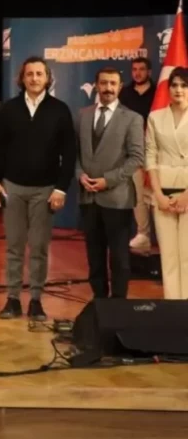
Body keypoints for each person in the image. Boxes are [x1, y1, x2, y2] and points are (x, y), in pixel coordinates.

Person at [0, 56, 76, 321]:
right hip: (12, 188)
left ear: (47, 78)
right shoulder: (9, 109)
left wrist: (61, 189)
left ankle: (36, 300)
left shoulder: (60, 110)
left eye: (39, 74)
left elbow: (69, 153)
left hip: (45, 190)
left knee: (38, 247)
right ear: (22, 78)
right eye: (30, 74)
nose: (34, 78)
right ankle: (13, 299)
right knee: (14, 247)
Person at [75, 67, 144, 299]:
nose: (108, 88)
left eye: (113, 83)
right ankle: (100, 304)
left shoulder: (132, 119)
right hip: (88, 198)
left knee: (120, 260)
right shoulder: (82, 115)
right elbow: (74, 153)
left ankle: (119, 307)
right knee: (94, 259)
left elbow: (136, 158)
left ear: (120, 86)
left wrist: (108, 181)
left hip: (118, 199)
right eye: (104, 83)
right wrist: (79, 174)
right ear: (96, 85)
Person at [145, 66, 188, 299]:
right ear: (168, 88)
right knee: (168, 256)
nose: (178, 90)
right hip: (162, 192)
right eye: (174, 85)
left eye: (184, 85)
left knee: (186, 255)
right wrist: (159, 195)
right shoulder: (155, 117)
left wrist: (186, 196)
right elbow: (150, 156)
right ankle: (173, 306)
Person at [121, 57, 155, 252]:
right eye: (134, 69)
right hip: (133, 151)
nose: (138, 73)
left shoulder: (160, 91)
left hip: (158, 149)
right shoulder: (124, 93)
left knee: (156, 195)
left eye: (142, 69)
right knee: (138, 195)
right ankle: (143, 235)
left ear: (149, 72)